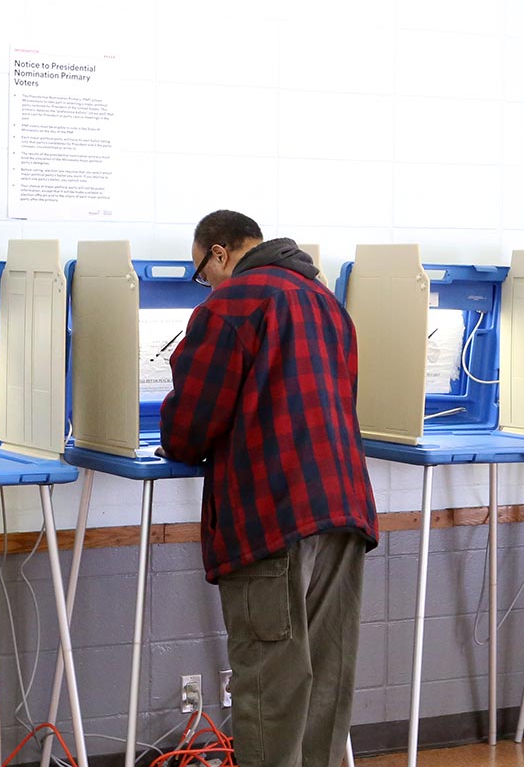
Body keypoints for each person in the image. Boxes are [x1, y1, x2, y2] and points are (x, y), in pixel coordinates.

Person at [159, 209, 379, 767]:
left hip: (272, 512)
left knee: (269, 679)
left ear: (219, 252)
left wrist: (177, 441)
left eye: (201, 273)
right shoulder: (326, 301)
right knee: (326, 677)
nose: (205, 285)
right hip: (343, 506)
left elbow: (192, 421)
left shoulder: (233, 302)